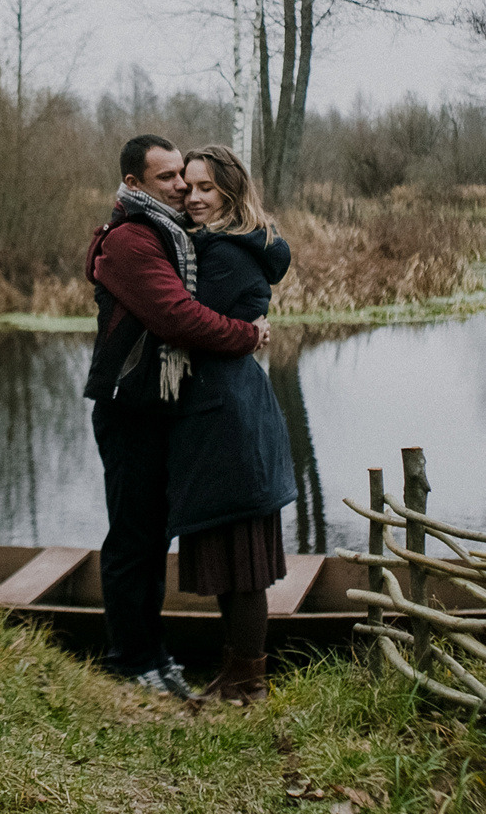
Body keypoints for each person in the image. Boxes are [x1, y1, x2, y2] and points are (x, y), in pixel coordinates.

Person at [84, 134, 269, 696]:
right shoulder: (132, 242)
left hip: (157, 407)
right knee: (133, 537)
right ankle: (130, 657)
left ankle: (154, 654)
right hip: (129, 410)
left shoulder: (172, 235)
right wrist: (247, 334)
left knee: (153, 535)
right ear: (134, 184)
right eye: (167, 178)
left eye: (184, 177)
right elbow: (177, 317)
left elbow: (246, 252)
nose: (181, 186)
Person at [169, 143, 296, 705]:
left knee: (243, 562)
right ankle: (236, 675)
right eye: (188, 188)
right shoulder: (209, 244)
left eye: (206, 188)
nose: (193, 198)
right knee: (232, 555)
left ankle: (250, 682)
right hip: (225, 411)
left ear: (230, 191)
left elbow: (183, 322)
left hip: (230, 421)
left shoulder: (222, 254)